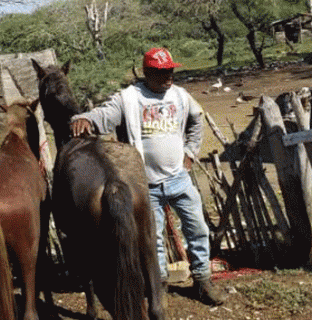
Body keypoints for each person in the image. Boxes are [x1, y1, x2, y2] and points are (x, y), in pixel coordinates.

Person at [70, 47, 226, 306]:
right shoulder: (130, 98)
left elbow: (197, 119)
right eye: (161, 72)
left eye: (171, 71)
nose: (168, 77)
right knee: (151, 240)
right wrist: (86, 117)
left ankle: (202, 280)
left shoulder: (180, 96)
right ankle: (159, 285)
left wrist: (190, 151)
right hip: (145, 185)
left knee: (197, 227)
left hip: (178, 178)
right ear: (146, 72)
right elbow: (105, 113)